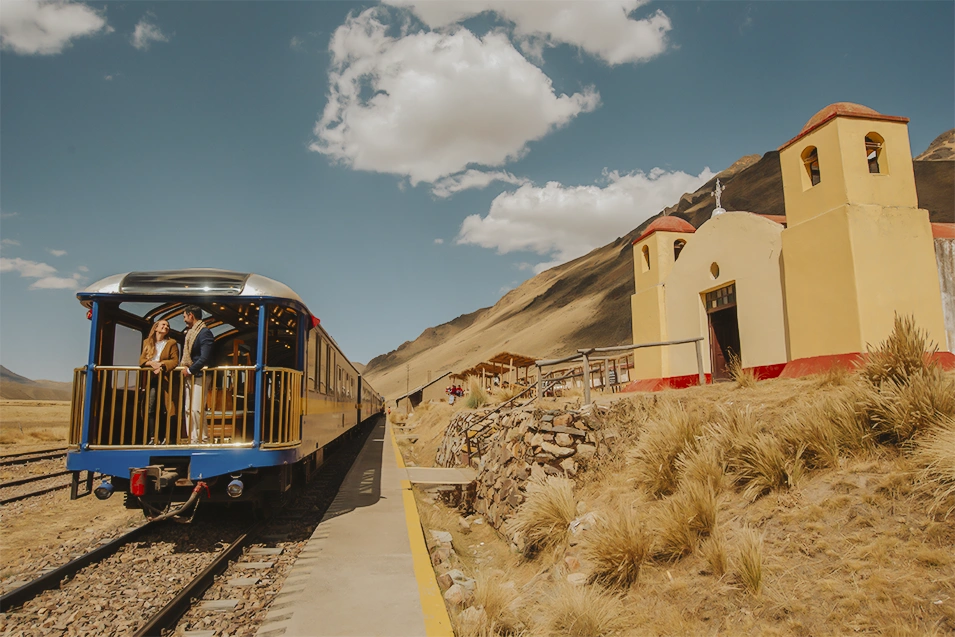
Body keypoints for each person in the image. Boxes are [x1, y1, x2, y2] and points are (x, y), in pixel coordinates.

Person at [139, 319, 180, 441]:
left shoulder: (172, 343)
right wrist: (152, 363)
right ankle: (153, 437)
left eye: (168, 325)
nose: (166, 327)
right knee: (151, 407)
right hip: (153, 379)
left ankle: (168, 438)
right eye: (163, 325)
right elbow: (141, 361)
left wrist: (161, 365)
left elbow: (174, 361)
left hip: (167, 379)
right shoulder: (147, 342)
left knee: (168, 408)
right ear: (156, 327)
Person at [181, 306, 214, 444]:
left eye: (184, 316)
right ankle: (193, 438)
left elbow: (204, 357)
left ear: (191, 315)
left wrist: (189, 370)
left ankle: (203, 439)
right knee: (188, 409)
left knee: (197, 409)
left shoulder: (204, 333)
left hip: (200, 374)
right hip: (191, 375)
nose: (183, 319)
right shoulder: (190, 333)